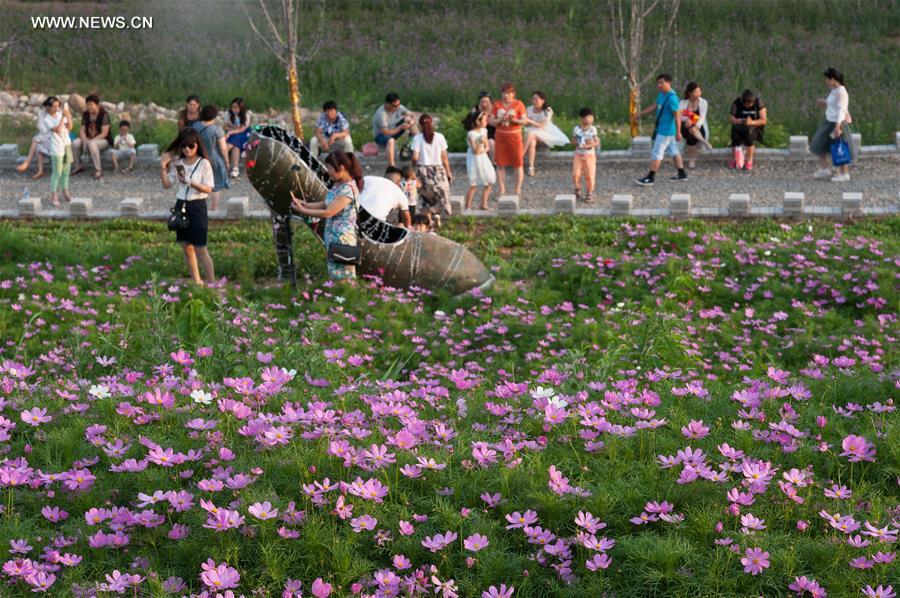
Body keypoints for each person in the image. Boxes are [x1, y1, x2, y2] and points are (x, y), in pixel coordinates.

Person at [290, 151, 362, 281]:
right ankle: (338, 298)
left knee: (344, 277)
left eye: (329, 168)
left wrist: (303, 210)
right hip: (333, 237)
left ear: (341, 168)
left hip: (342, 239)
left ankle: (345, 299)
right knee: (335, 275)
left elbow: (329, 212)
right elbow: (325, 203)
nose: (328, 171)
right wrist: (305, 204)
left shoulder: (348, 189)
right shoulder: (337, 185)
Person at [160, 128, 215, 286]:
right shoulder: (178, 163)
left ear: (197, 145)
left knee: (201, 248)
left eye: (191, 146)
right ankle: (197, 281)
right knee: (186, 246)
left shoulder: (203, 163)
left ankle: (213, 284)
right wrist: (163, 167)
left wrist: (191, 182)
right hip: (181, 205)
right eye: (184, 146)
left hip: (197, 205)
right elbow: (167, 184)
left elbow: (208, 188)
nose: (188, 149)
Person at [634, 74, 686, 186]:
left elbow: (677, 116)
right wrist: (640, 114)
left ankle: (650, 178)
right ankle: (682, 173)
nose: (659, 85)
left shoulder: (672, 98)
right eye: (658, 83)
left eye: (661, 83)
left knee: (657, 153)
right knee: (674, 150)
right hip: (663, 130)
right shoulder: (662, 94)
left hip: (666, 131)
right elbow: (655, 106)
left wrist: (678, 132)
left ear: (669, 82)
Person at [810, 67, 855, 182]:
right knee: (818, 143)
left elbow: (841, 109)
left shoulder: (841, 91)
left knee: (840, 147)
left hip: (837, 123)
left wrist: (837, 126)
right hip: (828, 121)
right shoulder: (834, 90)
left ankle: (844, 173)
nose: (826, 81)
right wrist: (824, 102)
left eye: (828, 79)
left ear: (833, 79)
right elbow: (833, 105)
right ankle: (824, 168)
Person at [412, 113, 453, 219]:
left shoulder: (417, 138)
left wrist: (413, 171)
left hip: (423, 170)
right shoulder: (440, 137)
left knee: (425, 196)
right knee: (442, 194)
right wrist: (448, 172)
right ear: (432, 123)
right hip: (438, 170)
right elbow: (444, 157)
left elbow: (415, 158)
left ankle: (427, 218)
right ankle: (441, 216)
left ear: (420, 125)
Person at [490, 83, 527, 196]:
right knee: (500, 164)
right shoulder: (496, 104)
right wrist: (501, 119)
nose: (506, 96)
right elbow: (491, 121)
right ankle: (502, 189)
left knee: (518, 163)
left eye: (509, 93)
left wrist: (514, 120)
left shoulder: (519, 104)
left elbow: (524, 121)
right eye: (504, 93)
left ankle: (517, 189)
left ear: (513, 94)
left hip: (515, 136)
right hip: (501, 136)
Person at [191, 105, 230, 211]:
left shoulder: (195, 127)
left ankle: (200, 208)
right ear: (214, 116)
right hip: (214, 160)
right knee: (216, 185)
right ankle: (214, 208)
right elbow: (223, 148)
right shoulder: (217, 129)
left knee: (200, 184)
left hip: (198, 159)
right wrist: (226, 162)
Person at [522, 91, 569, 176]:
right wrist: (526, 121)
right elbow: (525, 123)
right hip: (532, 131)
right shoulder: (529, 109)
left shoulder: (547, 110)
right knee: (532, 143)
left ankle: (520, 156)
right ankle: (531, 167)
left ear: (543, 100)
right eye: (533, 99)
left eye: (536, 99)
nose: (534, 101)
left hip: (545, 132)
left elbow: (541, 125)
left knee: (529, 134)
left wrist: (530, 121)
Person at [71, 94, 112, 179]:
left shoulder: (104, 114)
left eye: (91, 104)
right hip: (89, 137)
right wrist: (85, 139)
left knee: (92, 144)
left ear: (96, 105)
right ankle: (79, 165)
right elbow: (82, 130)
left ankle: (98, 170)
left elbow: (105, 133)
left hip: (103, 139)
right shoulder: (86, 114)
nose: (89, 107)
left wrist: (91, 141)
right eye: (87, 104)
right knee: (75, 143)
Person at [44, 97, 73, 207]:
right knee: (57, 173)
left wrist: (68, 117)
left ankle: (65, 192)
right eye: (54, 106)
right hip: (56, 148)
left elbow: (69, 127)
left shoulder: (61, 114)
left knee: (66, 171)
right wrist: (63, 117)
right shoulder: (47, 119)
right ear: (49, 107)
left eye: (58, 106)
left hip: (67, 145)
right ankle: (54, 196)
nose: (57, 108)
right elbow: (58, 130)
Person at [728, 89, 767, 171]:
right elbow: (731, 118)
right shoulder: (737, 103)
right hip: (740, 126)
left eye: (750, 104)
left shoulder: (758, 103)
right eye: (747, 105)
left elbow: (763, 120)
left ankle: (749, 160)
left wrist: (752, 122)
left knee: (748, 137)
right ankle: (735, 158)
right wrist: (738, 120)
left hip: (754, 127)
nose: (748, 106)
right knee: (735, 136)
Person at [373, 92, 415, 167]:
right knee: (391, 140)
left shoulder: (399, 107)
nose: (397, 107)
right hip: (381, 135)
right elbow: (386, 132)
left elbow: (411, 114)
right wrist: (401, 127)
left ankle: (411, 145)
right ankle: (391, 165)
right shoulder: (381, 115)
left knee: (408, 119)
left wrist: (411, 122)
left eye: (399, 104)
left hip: (394, 129)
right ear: (387, 104)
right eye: (395, 106)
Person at [464, 110, 495, 210]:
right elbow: (475, 151)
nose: (486, 122)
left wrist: (483, 148)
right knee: (474, 184)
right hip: (474, 159)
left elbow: (487, 147)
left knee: (489, 180)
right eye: (485, 120)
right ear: (478, 121)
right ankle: (467, 206)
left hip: (483, 158)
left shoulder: (484, 131)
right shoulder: (471, 134)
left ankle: (483, 204)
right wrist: (480, 142)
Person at [15, 98, 52, 179]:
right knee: (37, 143)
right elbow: (41, 128)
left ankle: (27, 163)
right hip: (44, 137)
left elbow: (51, 130)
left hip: (53, 139)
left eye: (49, 107)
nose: (47, 109)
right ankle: (40, 170)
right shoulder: (41, 113)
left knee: (36, 141)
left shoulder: (57, 114)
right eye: (46, 107)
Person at [679, 82, 713, 169]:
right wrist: (687, 119)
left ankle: (692, 159)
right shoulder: (683, 102)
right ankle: (704, 142)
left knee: (691, 135)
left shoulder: (703, 102)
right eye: (696, 92)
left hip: (698, 126)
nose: (698, 94)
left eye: (699, 91)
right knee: (690, 128)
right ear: (689, 93)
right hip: (685, 126)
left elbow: (702, 117)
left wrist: (696, 125)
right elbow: (679, 116)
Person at [572, 107, 600, 203]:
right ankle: (577, 188)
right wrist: (577, 143)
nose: (590, 119)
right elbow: (573, 140)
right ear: (582, 118)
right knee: (576, 174)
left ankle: (589, 192)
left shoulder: (593, 129)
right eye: (588, 117)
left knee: (590, 174)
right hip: (578, 155)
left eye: (591, 117)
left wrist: (589, 145)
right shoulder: (576, 129)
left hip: (589, 155)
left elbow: (596, 142)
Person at [224, 98, 250, 178]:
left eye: (236, 107)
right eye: (232, 107)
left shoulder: (246, 115)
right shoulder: (228, 114)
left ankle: (223, 150)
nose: (233, 109)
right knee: (236, 145)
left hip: (244, 134)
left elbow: (243, 129)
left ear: (241, 108)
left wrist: (231, 131)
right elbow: (225, 126)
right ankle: (235, 168)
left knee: (235, 138)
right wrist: (232, 130)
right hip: (233, 134)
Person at [469, 91, 496, 164]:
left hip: (492, 132)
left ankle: (493, 163)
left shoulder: (494, 109)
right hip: (478, 132)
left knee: (491, 142)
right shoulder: (475, 109)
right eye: (482, 102)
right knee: (478, 141)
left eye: (486, 102)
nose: (484, 104)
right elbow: (470, 124)